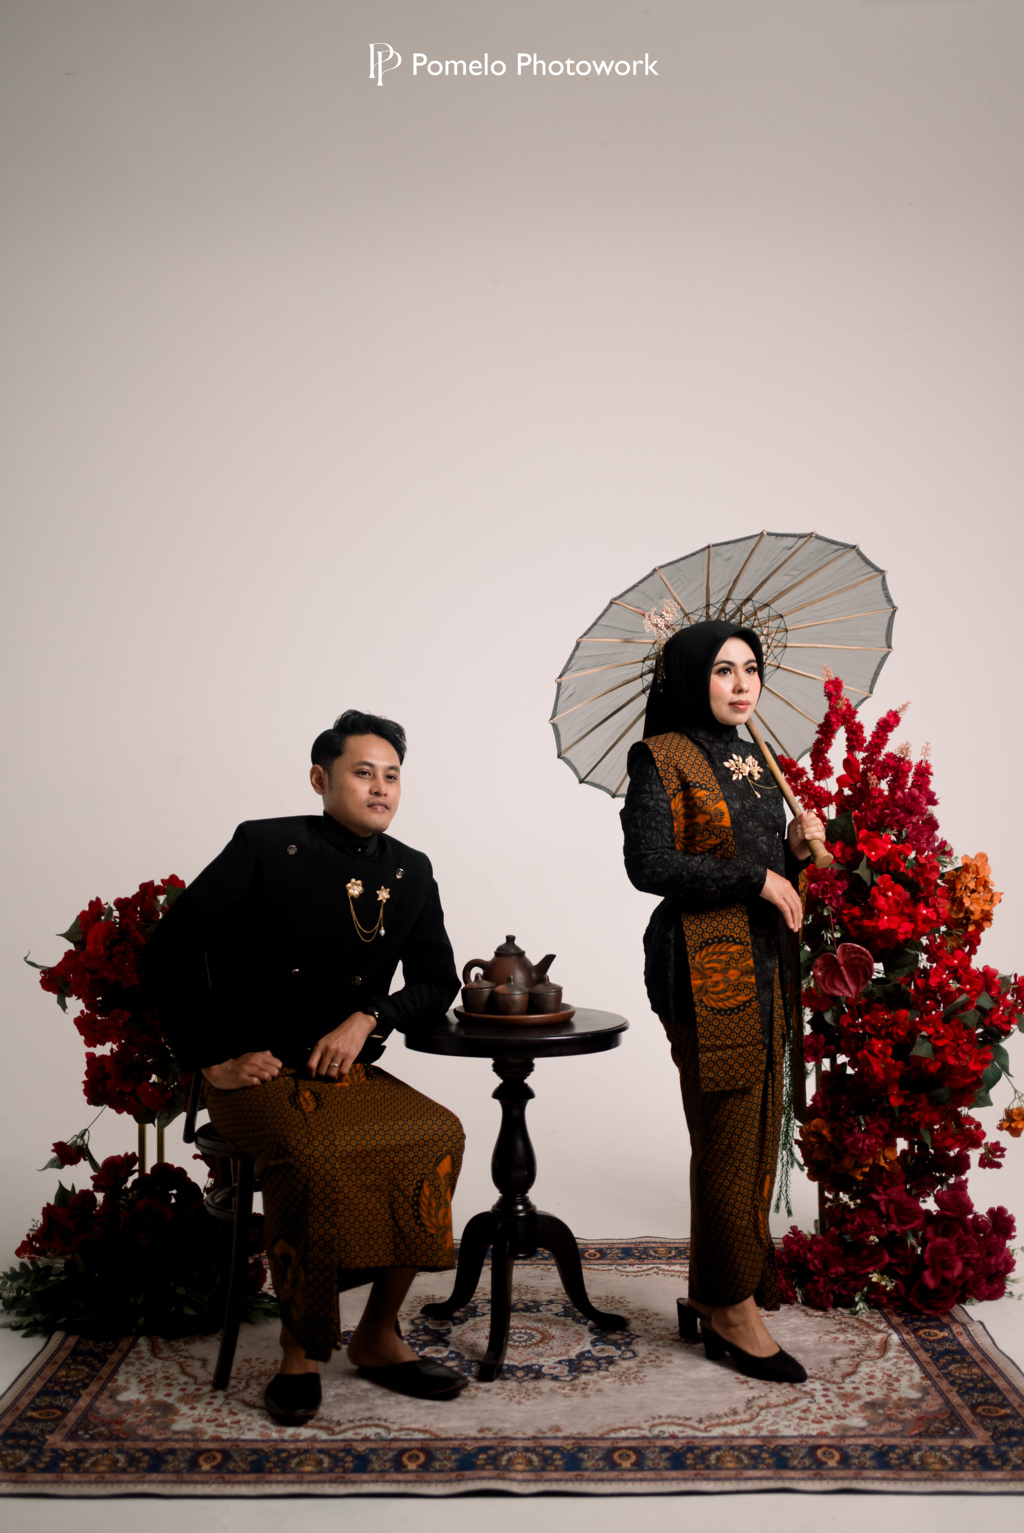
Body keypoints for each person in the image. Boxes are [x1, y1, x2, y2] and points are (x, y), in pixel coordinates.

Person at [143, 709, 468, 1424]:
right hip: (255, 1073)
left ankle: (379, 1334)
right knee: (313, 1155)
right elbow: (171, 950)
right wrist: (210, 1061)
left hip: (342, 1072)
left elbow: (437, 980)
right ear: (321, 779)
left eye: (392, 775)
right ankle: (300, 1352)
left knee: (438, 1133)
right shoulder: (264, 845)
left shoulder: (411, 869)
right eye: (363, 772)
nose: (380, 787)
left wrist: (369, 1016)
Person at [620, 622, 824, 1384]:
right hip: (707, 968)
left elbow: (765, 862)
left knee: (756, 1125)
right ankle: (732, 1307)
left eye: (750, 668)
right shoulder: (661, 756)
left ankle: (714, 1293)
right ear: (687, 678)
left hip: (765, 962)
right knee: (728, 1133)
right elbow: (648, 863)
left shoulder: (758, 759)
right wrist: (756, 878)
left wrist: (792, 853)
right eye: (722, 670)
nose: (742, 684)